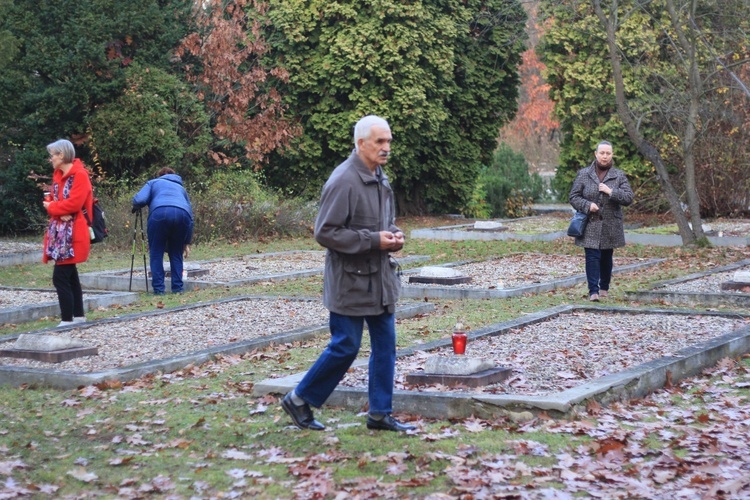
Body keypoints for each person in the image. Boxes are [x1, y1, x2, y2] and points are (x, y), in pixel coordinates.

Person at [281, 115, 415, 432]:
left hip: (379, 278)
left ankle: (379, 413)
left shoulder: (381, 177)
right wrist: (373, 240)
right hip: (350, 281)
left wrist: (393, 236)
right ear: (360, 143)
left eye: (389, 141)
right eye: (380, 142)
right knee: (345, 346)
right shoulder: (343, 180)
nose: (386, 148)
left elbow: (385, 222)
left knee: (386, 345)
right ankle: (299, 399)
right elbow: (325, 232)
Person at [569, 141, 634, 302]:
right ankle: (593, 291)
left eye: (608, 153)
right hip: (590, 223)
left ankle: (604, 287)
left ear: (612, 155)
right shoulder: (584, 174)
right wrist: (587, 205)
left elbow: (628, 198)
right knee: (592, 256)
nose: (605, 156)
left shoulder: (619, 175)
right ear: (596, 154)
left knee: (606, 257)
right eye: (602, 153)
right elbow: (574, 197)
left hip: (610, 224)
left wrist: (611, 191)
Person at [42, 139, 93, 327]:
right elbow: (50, 198)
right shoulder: (58, 175)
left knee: (60, 277)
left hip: (72, 235)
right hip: (59, 234)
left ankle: (67, 320)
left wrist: (56, 207)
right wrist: (57, 208)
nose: (51, 159)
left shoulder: (80, 175)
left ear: (62, 155)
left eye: (53, 155)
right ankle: (78, 316)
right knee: (70, 276)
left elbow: (74, 204)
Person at [132, 167, 194, 295]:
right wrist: (186, 241)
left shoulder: (153, 182)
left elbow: (139, 200)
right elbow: (191, 216)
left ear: (159, 176)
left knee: (156, 253)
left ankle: (159, 290)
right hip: (183, 215)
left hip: (159, 213)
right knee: (176, 252)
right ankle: (177, 289)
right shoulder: (181, 189)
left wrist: (135, 206)